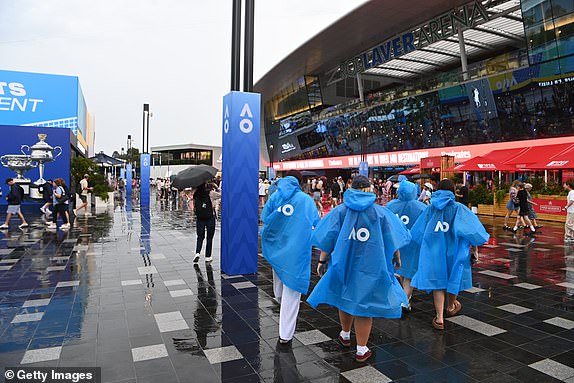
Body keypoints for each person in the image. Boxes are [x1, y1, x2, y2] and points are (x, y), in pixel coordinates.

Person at [307, 175, 410, 362]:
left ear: (350, 188)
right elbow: (392, 238)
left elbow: (328, 238)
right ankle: (361, 349)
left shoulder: (340, 211)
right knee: (364, 305)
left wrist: (322, 261)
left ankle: (345, 335)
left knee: (345, 298)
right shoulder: (381, 213)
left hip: (343, 264)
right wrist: (397, 257)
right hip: (372, 266)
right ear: (370, 190)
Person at [410, 179, 489, 330]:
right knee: (454, 277)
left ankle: (439, 318)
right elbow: (473, 231)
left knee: (438, 283)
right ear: (453, 191)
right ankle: (451, 305)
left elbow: (418, 231)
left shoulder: (431, 209)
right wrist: (475, 250)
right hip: (455, 251)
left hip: (434, 252)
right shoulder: (460, 208)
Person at [261, 170, 319, 345]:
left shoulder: (275, 197)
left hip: (277, 250)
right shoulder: (306, 201)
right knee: (292, 292)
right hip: (297, 252)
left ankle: (281, 305)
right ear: (300, 183)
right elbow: (317, 223)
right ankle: (285, 335)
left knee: (279, 288)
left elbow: (265, 218)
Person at [386, 180, 427, 311]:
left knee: (401, 269)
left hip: (396, 243)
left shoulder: (391, 205)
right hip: (413, 245)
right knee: (409, 273)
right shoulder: (421, 207)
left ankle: (404, 298)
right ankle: (405, 301)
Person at [193, 182, 216, 262]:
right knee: (209, 237)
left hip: (200, 217)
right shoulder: (210, 193)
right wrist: (215, 187)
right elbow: (221, 194)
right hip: (210, 217)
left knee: (200, 237)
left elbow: (194, 207)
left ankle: (197, 253)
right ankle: (208, 256)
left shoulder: (196, 194)